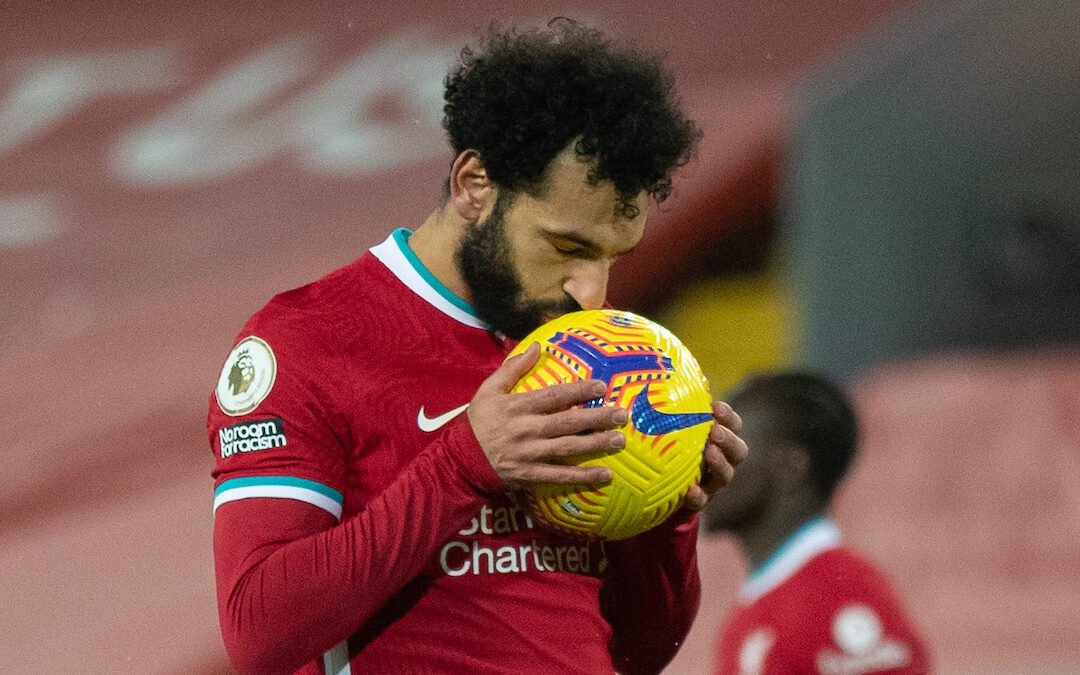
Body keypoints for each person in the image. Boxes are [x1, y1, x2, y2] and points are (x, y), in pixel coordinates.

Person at [208, 19, 748, 675]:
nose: (591, 291)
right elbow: (258, 635)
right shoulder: (309, 339)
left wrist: (665, 513)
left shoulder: (598, 355)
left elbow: (634, 651)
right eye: (568, 246)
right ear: (474, 184)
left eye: (611, 255)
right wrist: (464, 466)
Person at [702, 371, 931, 674]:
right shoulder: (763, 607)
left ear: (789, 467)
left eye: (728, 447)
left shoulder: (841, 598)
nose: (705, 463)